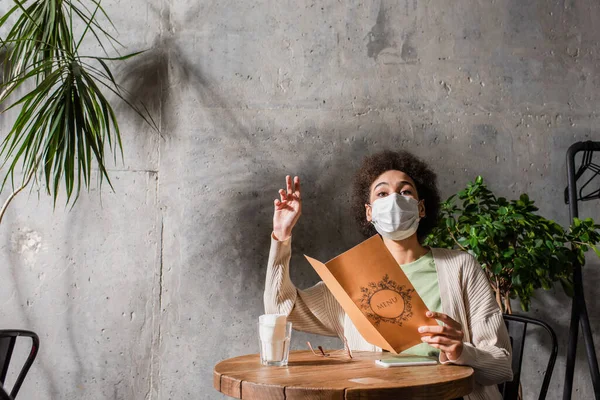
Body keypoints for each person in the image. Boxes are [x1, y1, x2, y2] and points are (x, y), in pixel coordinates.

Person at [264, 150, 512, 400]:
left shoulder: (460, 267)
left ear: (421, 207)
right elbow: (281, 310)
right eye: (382, 193)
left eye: (405, 192)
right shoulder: (351, 275)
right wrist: (281, 236)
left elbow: (501, 365)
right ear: (369, 212)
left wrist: (461, 353)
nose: (394, 199)